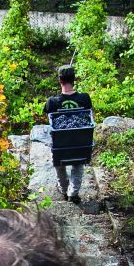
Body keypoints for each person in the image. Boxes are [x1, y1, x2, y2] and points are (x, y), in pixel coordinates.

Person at [43, 65, 94, 204]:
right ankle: (73, 192)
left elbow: (48, 117)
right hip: (80, 143)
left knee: (58, 160)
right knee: (78, 161)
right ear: (74, 79)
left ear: (60, 80)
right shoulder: (85, 98)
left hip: (61, 145)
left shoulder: (52, 102)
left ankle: (64, 189)